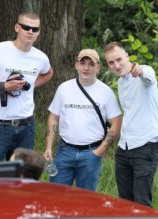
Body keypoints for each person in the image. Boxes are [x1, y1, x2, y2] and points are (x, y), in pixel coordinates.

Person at [0, 12, 54, 163]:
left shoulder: (40, 57)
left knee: (21, 178)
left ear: (39, 32)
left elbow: (48, 73)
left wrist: (30, 86)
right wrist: (4, 86)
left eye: (35, 29)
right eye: (26, 27)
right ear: (17, 27)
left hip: (26, 126)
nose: (30, 32)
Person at [43, 49, 122, 191]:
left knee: (86, 200)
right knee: (56, 196)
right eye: (83, 63)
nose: (86, 68)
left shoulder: (106, 92)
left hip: (91, 153)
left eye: (91, 64)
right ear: (76, 65)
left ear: (98, 68)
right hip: (64, 151)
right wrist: (49, 146)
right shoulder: (64, 88)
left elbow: (116, 123)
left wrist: (99, 151)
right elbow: (54, 117)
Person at [105, 42, 158, 206]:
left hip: (145, 145)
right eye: (111, 62)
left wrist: (139, 71)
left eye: (119, 59)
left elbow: (147, 78)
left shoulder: (146, 70)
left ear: (127, 56)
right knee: (125, 203)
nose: (116, 65)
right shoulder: (121, 82)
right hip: (124, 148)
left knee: (141, 203)